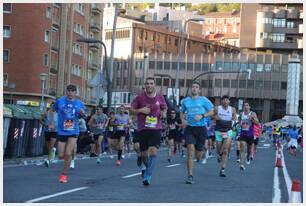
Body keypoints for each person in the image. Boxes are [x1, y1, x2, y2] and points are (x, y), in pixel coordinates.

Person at [130, 77, 167, 186]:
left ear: (154, 85)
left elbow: (164, 107)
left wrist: (164, 112)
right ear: (145, 85)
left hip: (156, 128)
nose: (149, 85)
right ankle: (146, 168)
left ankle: (148, 175)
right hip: (143, 129)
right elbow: (131, 110)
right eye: (147, 83)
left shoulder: (160, 97)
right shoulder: (139, 97)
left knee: (153, 151)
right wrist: (141, 110)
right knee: (144, 155)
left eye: (151, 83)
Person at [49, 84, 85, 183]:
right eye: (68, 90)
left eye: (72, 90)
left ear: (75, 93)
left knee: (68, 153)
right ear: (66, 91)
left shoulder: (79, 103)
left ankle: (64, 175)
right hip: (61, 131)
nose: (70, 92)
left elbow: (83, 115)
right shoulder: (60, 101)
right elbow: (52, 110)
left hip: (74, 131)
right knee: (61, 155)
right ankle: (64, 157)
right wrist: (52, 122)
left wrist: (82, 113)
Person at [180, 81, 214, 184]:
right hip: (190, 128)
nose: (194, 89)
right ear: (191, 89)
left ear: (199, 90)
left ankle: (203, 152)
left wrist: (202, 116)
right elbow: (181, 112)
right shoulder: (185, 101)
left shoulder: (203, 100)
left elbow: (213, 111)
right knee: (190, 152)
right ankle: (190, 175)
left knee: (198, 155)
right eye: (193, 87)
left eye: (196, 87)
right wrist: (183, 120)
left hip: (201, 129)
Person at [213, 95, 237, 177]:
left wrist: (234, 123)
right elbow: (212, 115)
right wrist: (216, 117)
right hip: (219, 130)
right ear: (221, 101)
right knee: (219, 148)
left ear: (229, 102)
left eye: (227, 100)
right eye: (224, 100)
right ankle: (219, 155)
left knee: (226, 150)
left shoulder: (232, 109)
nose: (225, 101)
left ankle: (223, 169)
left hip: (228, 130)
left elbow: (234, 118)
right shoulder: (217, 108)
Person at [238, 101, 259, 170]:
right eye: (244, 105)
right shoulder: (241, 114)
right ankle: (241, 164)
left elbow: (257, 123)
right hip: (243, 134)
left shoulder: (252, 114)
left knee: (249, 150)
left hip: (250, 135)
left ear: (249, 107)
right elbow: (239, 122)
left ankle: (248, 157)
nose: (245, 107)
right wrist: (239, 124)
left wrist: (252, 119)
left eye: (247, 105)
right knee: (242, 148)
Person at [40, 102, 58, 167]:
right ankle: (52, 152)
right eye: (52, 106)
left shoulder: (58, 113)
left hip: (55, 131)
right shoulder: (47, 113)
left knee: (51, 145)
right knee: (48, 146)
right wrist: (45, 125)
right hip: (47, 131)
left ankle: (48, 160)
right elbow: (40, 119)